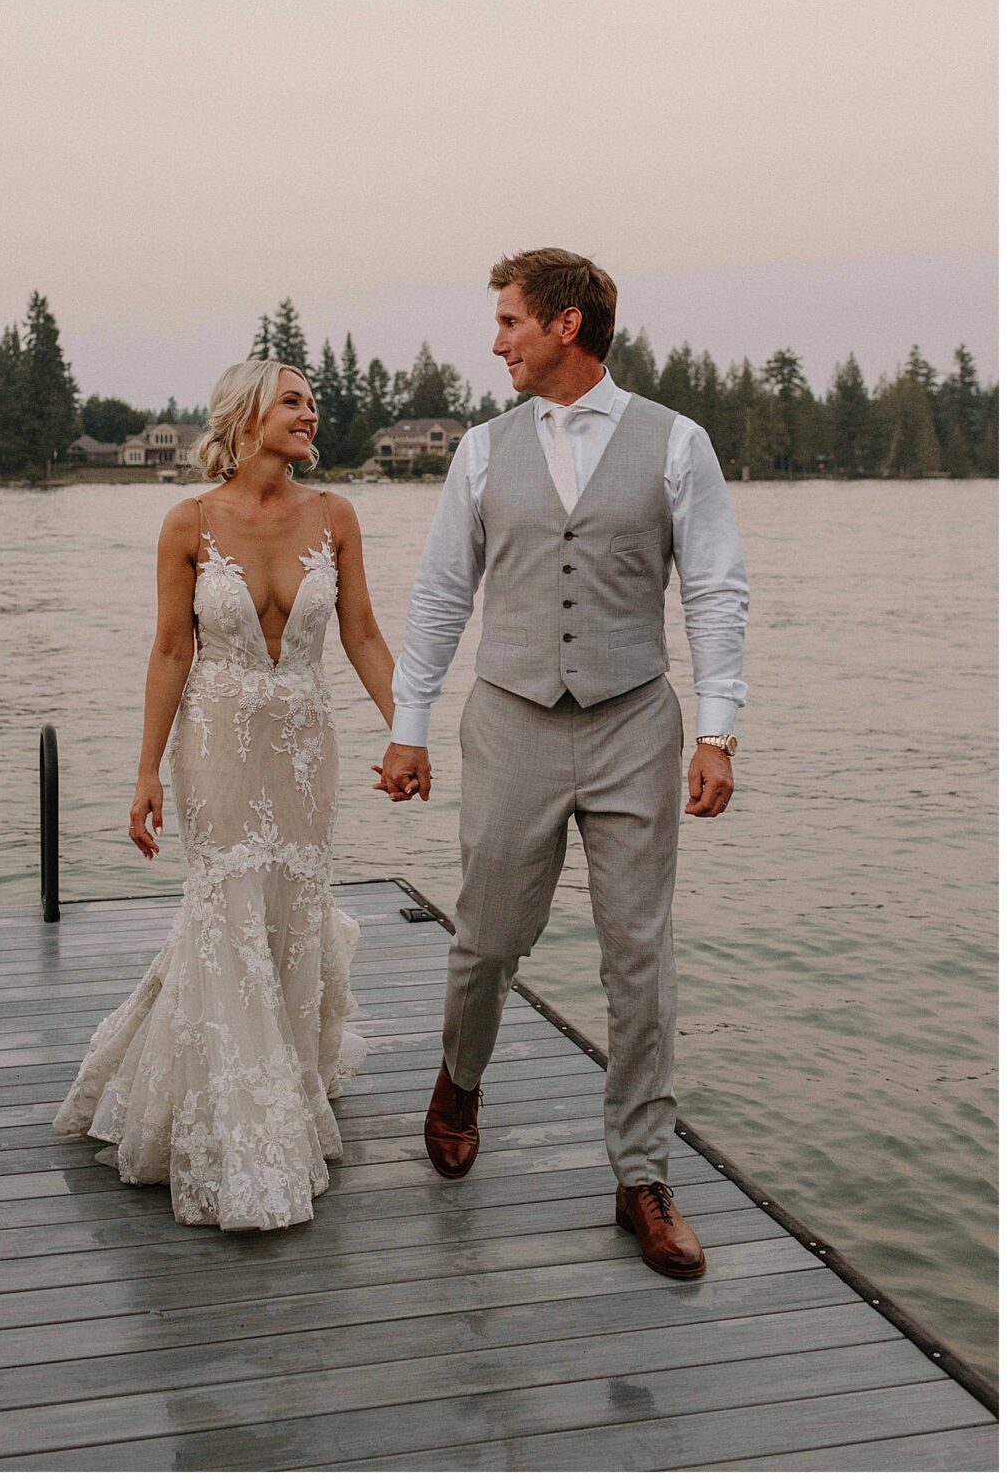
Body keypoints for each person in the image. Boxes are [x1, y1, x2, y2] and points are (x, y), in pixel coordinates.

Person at [378, 248, 748, 1280]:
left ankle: (642, 1175)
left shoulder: (678, 445)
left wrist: (716, 731)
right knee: (489, 939)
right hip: (510, 720)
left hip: (637, 723)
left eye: (509, 322)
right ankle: (460, 1078)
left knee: (641, 959)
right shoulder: (484, 452)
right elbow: (442, 595)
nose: (497, 341)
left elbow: (716, 590)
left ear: (566, 325)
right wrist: (409, 725)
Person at [55, 359, 397, 1231]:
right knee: (229, 905)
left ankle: (289, 1077)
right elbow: (172, 650)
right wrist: (142, 775)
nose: (310, 413)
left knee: (292, 904)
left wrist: (410, 726)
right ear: (246, 414)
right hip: (216, 743)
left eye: (314, 401)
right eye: (293, 400)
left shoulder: (337, 516)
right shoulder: (187, 522)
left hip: (304, 747)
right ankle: (247, 1124)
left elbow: (359, 631)